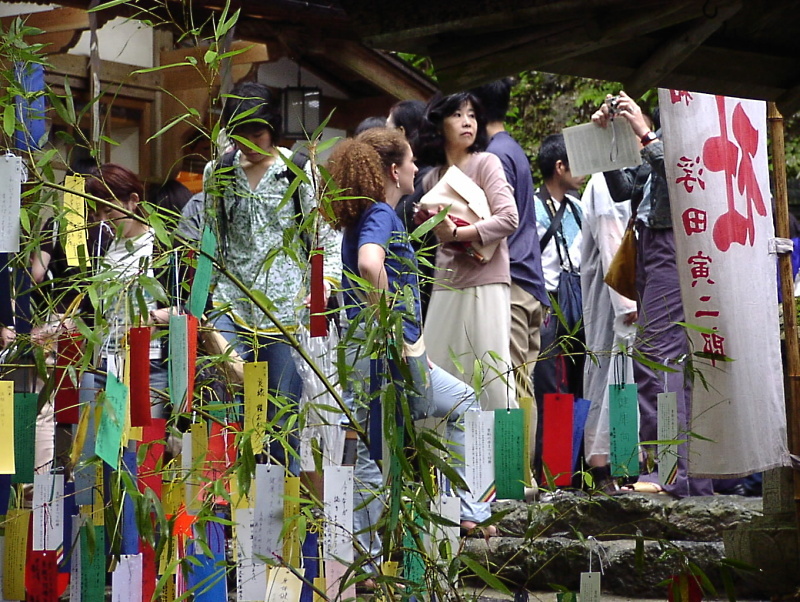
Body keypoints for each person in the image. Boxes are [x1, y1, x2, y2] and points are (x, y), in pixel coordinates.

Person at [327, 127, 493, 584]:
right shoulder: (381, 213)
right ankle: (471, 512)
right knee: (462, 404)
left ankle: (366, 561)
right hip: (385, 352)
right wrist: (394, 331)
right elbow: (368, 265)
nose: (418, 168)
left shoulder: (360, 216)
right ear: (393, 170)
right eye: (412, 161)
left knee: (372, 452)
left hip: (366, 351)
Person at [205, 81, 341, 472]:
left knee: (281, 419)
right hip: (230, 302)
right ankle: (230, 507)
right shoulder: (220, 171)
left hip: (286, 309)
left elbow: (324, 240)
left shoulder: (296, 170)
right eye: (240, 132)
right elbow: (212, 238)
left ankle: (281, 512)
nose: (249, 141)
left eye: (257, 132)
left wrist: (322, 289)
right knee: (229, 402)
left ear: (272, 129)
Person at [592, 91, 713, 497]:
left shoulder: (695, 131)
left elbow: (683, 177)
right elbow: (626, 190)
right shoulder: (664, 134)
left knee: (657, 358)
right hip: (651, 246)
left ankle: (671, 475)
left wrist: (644, 133)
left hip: (672, 245)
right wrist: (609, 143)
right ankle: (688, 477)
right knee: (671, 360)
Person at [417, 92, 519, 411]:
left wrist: (460, 232)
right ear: (439, 125)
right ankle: (442, 458)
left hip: (486, 280)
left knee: (492, 377)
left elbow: (509, 218)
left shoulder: (486, 163)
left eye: (472, 115)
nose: (467, 122)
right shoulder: (431, 178)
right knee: (437, 371)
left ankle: (501, 458)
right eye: (458, 115)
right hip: (446, 281)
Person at [471, 78, 549, 478]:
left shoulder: (495, 157)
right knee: (521, 378)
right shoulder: (513, 149)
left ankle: (516, 477)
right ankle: (518, 475)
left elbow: (496, 225)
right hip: (530, 280)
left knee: (512, 380)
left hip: (514, 281)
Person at [85, 163, 170, 417]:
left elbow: (190, 305)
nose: (102, 222)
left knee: (146, 448)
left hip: (149, 363)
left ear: (133, 201)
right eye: (95, 215)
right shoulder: (99, 245)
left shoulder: (162, 246)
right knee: (100, 452)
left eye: (108, 211)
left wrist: (153, 318)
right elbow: (89, 305)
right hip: (104, 364)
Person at [532, 133, 586, 476]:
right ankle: (553, 470)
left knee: (580, 379)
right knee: (550, 382)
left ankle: (573, 465)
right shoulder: (531, 207)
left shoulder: (579, 207)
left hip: (578, 302)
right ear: (560, 166)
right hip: (548, 302)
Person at [580, 173, 637, 491]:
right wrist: (627, 301)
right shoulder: (604, 180)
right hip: (614, 294)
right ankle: (604, 465)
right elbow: (611, 239)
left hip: (625, 291)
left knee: (621, 375)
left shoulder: (630, 174)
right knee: (611, 374)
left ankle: (625, 461)